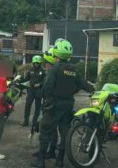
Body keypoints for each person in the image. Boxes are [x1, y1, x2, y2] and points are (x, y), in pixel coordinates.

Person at [31, 39, 94, 168]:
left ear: (56, 54)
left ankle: (41, 160)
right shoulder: (74, 69)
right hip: (68, 105)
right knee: (65, 133)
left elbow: (47, 87)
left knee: (45, 130)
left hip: (54, 105)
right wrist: (92, 90)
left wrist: (47, 99)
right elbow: (84, 85)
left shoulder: (55, 69)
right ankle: (60, 161)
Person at [32, 48, 57, 160]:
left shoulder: (52, 73)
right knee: (53, 130)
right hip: (52, 104)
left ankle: (43, 154)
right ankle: (51, 151)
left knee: (44, 129)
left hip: (51, 105)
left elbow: (47, 89)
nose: (44, 65)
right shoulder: (53, 72)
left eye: (46, 62)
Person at [20, 55, 46, 127]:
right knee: (27, 106)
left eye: (38, 63)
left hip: (39, 91)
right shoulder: (30, 71)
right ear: (33, 63)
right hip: (31, 90)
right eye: (35, 63)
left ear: (40, 63)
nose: (36, 64)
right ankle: (26, 121)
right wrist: (19, 80)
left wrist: (40, 84)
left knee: (37, 108)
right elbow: (26, 79)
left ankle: (34, 122)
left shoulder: (43, 72)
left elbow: (45, 81)